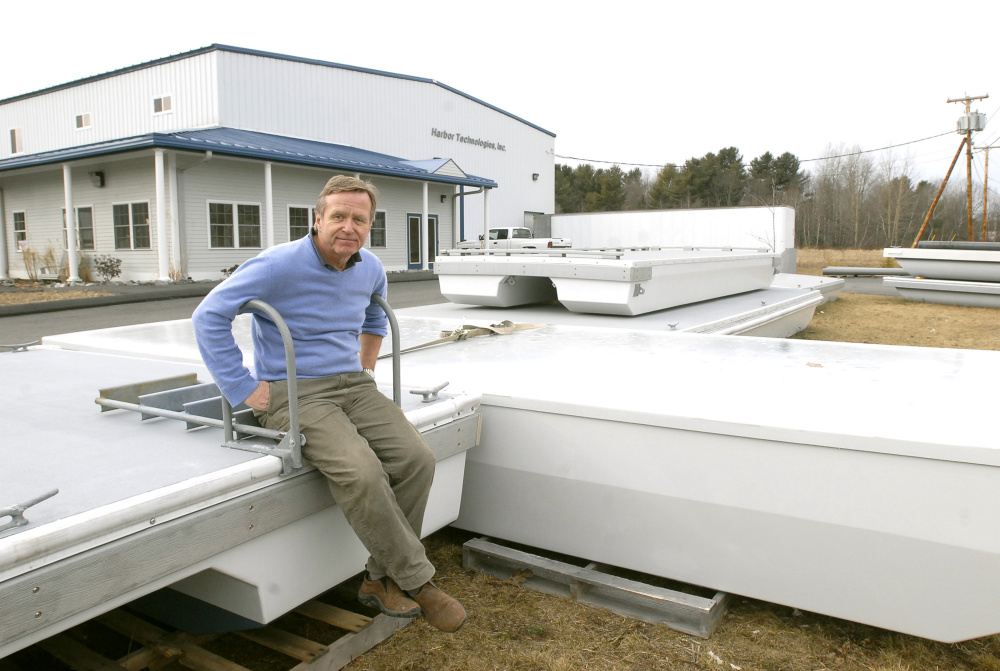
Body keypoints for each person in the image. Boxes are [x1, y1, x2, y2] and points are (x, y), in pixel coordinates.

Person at [192, 175, 466, 633]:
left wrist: (366, 368)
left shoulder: (370, 268)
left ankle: (380, 579)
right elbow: (209, 317)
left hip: (353, 385)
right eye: (338, 215)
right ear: (317, 219)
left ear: (370, 225)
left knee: (417, 458)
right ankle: (417, 582)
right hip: (294, 389)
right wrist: (243, 389)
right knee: (361, 471)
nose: (348, 226)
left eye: (359, 219)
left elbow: (375, 317)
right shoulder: (277, 265)